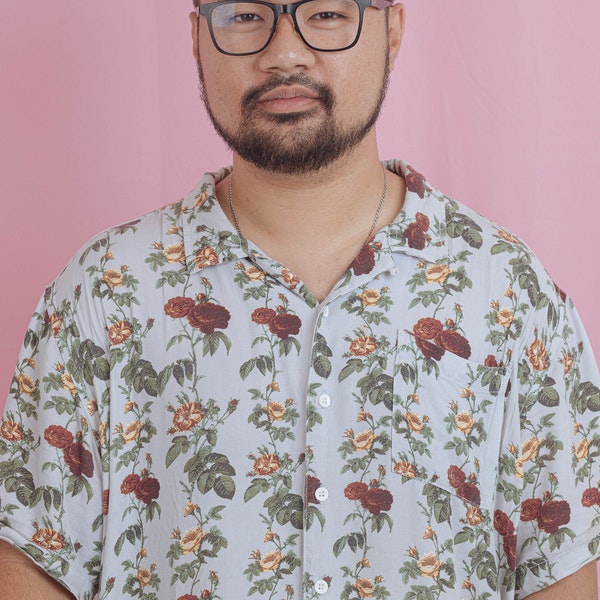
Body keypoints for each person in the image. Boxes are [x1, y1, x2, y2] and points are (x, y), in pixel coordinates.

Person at [0, 0, 599, 598]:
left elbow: (558, 568)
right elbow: (33, 560)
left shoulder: (510, 293)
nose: (284, 53)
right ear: (197, 37)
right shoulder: (104, 292)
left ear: (392, 30)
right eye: (244, 15)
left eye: (328, 13)